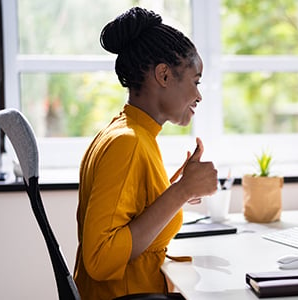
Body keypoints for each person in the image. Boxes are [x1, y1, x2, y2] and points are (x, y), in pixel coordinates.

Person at [74, 7, 218, 299]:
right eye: (196, 81)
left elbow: (130, 218)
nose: (199, 95)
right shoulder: (127, 143)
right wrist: (179, 192)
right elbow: (100, 260)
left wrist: (173, 192)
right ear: (164, 75)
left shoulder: (129, 132)